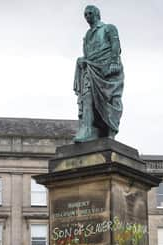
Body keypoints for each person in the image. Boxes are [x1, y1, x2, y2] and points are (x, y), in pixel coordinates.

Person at [73, 5, 124, 143]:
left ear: (97, 14)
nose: (87, 16)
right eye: (85, 14)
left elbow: (116, 45)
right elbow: (88, 54)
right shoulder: (87, 35)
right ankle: (88, 129)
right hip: (91, 69)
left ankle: (110, 130)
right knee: (87, 96)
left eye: (90, 13)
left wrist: (114, 62)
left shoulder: (109, 28)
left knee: (111, 100)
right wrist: (83, 60)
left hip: (108, 69)